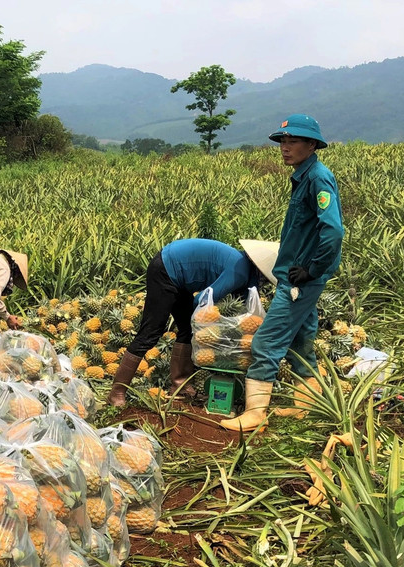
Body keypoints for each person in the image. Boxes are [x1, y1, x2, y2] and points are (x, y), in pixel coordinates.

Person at [222, 114, 344, 433]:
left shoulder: (318, 177)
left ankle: (254, 414)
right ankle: (307, 405)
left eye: (293, 142)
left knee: (266, 341)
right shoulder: (304, 175)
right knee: (302, 341)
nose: (285, 148)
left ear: (312, 144)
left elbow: (333, 231)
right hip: (296, 274)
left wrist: (313, 268)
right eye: (283, 142)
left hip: (301, 279)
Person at [107, 238, 277, 408]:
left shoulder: (243, 265)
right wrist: (215, 327)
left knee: (187, 329)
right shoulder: (240, 272)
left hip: (178, 271)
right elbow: (201, 301)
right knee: (150, 333)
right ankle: (117, 392)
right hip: (166, 268)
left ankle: (179, 385)